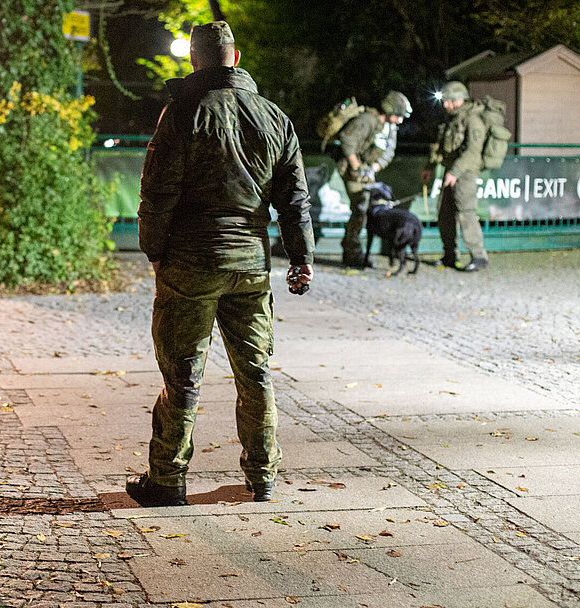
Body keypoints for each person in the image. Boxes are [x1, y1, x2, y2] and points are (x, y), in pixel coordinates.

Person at [127, 21, 314, 507]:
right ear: (235, 59)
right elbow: (294, 199)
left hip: (190, 263)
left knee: (183, 374)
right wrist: (302, 257)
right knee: (256, 370)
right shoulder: (274, 117)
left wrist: (154, 250)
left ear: (194, 61)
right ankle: (263, 474)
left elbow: (157, 193)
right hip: (250, 263)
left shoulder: (182, 113)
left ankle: (167, 479)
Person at [331, 91, 412, 267]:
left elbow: (388, 153)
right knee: (360, 207)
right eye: (399, 115)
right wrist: (356, 167)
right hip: (352, 167)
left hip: (366, 169)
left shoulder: (391, 128)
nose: (400, 120)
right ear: (391, 111)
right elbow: (347, 141)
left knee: (366, 209)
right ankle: (352, 253)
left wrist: (373, 169)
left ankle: (355, 250)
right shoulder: (367, 120)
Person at [422, 81, 488, 272]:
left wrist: (454, 172)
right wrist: (430, 167)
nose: (445, 105)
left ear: (459, 100)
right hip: (451, 171)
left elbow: (473, 153)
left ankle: (479, 257)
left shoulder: (473, 120)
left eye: (448, 101)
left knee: (467, 213)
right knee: (445, 214)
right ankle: (449, 255)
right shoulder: (451, 119)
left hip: (465, 173)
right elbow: (440, 146)